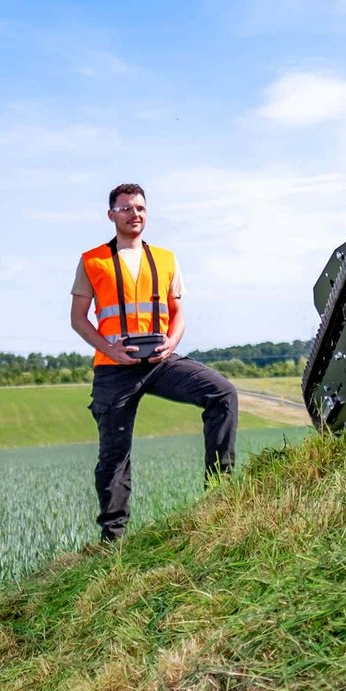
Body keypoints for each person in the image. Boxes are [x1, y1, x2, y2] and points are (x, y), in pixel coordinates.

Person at [70, 183, 239, 542]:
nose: (135, 214)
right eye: (126, 208)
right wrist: (110, 350)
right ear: (111, 214)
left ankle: (220, 496)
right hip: (114, 368)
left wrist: (171, 343)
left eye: (141, 208)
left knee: (222, 394)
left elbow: (178, 312)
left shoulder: (166, 259)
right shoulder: (92, 261)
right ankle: (112, 541)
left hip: (160, 362)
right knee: (114, 456)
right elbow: (78, 319)